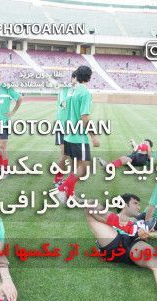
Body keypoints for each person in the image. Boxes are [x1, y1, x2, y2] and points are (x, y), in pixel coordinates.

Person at [55, 66, 100, 202]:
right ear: (88, 77)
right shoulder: (84, 92)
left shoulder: (71, 91)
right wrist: (93, 137)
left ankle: (70, 194)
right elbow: (84, 116)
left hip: (68, 134)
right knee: (84, 168)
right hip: (78, 136)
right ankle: (63, 188)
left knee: (75, 166)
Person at [53, 71, 76, 187]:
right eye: (76, 79)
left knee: (71, 156)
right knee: (65, 155)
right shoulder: (65, 90)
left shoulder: (78, 91)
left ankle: (62, 179)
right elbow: (64, 104)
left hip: (72, 128)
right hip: (62, 126)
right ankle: (57, 179)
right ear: (72, 79)